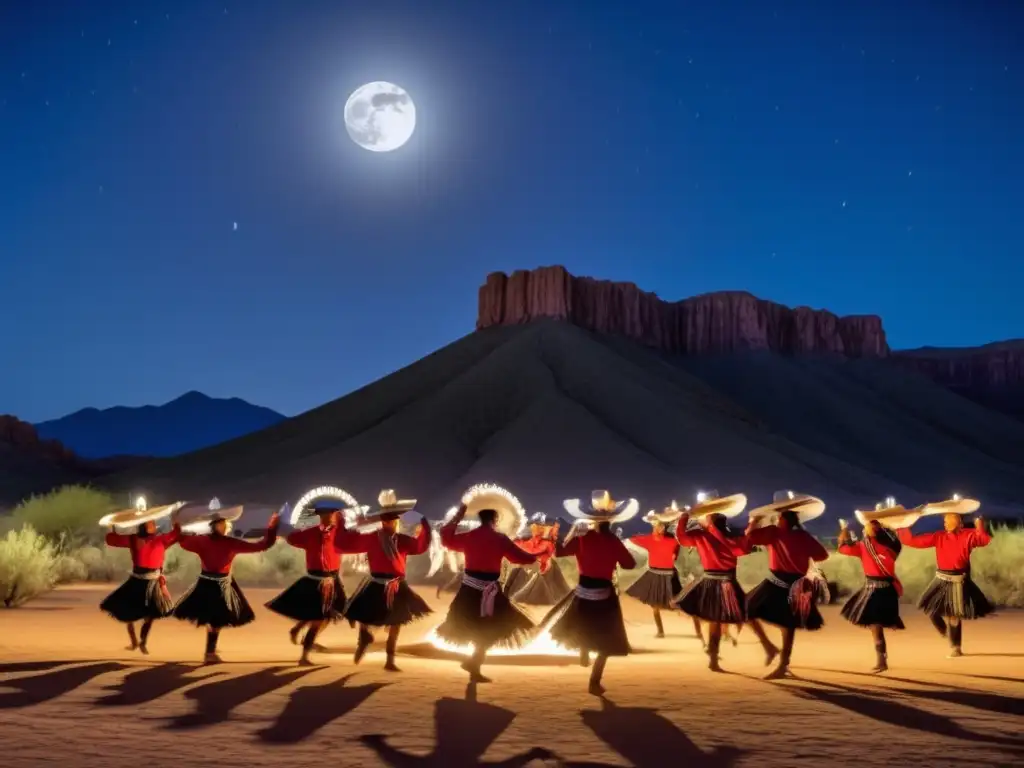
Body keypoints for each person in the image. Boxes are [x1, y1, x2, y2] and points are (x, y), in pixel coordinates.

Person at [436, 485, 537, 683]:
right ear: (495, 520)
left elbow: (446, 538)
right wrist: (536, 557)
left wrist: (459, 515)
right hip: (490, 590)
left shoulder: (469, 537)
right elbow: (519, 557)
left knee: (474, 626)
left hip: (469, 590)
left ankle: (473, 663)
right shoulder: (500, 539)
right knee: (495, 627)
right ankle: (474, 663)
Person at [543, 490, 638, 696]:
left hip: (583, 592)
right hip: (604, 594)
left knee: (583, 626)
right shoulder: (613, 541)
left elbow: (559, 552)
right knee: (607, 639)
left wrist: (561, 535)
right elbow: (629, 564)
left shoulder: (582, 539)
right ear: (610, 523)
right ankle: (594, 682)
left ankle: (584, 650)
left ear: (592, 522)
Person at [172, 503, 280, 663]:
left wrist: (272, 529)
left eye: (223, 524)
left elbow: (261, 546)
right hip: (208, 585)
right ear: (213, 526)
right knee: (215, 621)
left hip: (222, 584)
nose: (222, 527)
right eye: (219, 524)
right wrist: (176, 526)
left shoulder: (229, 542)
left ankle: (211, 649)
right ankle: (209, 653)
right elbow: (182, 541)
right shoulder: (203, 541)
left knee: (216, 621)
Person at [342, 489, 433, 672]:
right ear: (382, 521)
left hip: (398, 585)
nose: (388, 522)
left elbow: (421, 546)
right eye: (385, 519)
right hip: (376, 583)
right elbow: (346, 544)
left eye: (391, 519)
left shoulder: (403, 540)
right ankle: (365, 637)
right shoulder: (372, 539)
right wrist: (341, 525)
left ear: (396, 521)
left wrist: (424, 524)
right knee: (363, 615)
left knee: (396, 622)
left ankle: (390, 659)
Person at [744, 491, 830, 680]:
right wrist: (802, 554)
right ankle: (782, 662)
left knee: (747, 609)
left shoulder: (773, 532)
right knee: (788, 624)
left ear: (780, 516)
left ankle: (770, 649)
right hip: (797, 583)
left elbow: (749, 537)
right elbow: (823, 555)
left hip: (776, 581)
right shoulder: (803, 535)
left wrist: (754, 521)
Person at [898, 495, 994, 658]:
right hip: (941, 578)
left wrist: (979, 526)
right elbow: (911, 541)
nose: (945, 522)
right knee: (928, 607)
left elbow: (984, 540)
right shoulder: (938, 536)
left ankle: (956, 647)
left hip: (959, 580)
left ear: (958, 520)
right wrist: (903, 525)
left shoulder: (968, 535)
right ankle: (945, 632)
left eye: (949, 519)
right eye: (944, 520)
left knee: (953, 614)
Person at [265, 501, 353, 665]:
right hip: (315, 581)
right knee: (318, 617)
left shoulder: (338, 533)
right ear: (320, 516)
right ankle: (304, 655)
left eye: (331, 515)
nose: (329, 518)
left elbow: (352, 541)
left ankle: (298, 630)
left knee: (331, 614)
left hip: (333, 580)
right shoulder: (309, 534)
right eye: (325, 515)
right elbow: (290, 537)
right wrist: (275, 526)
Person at [672, 492, 752, 672]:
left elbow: (682, 538)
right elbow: (744, 548)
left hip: (709, 583)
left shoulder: (702, 536)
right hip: (729, 583)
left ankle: (713, 657)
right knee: (739, 616)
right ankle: (715, 655)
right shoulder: (733, 537)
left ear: (709, 518)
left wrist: (684, 517)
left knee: (714, 623)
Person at [837, 498, 914, 673]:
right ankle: (882, 659)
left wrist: (843, 532)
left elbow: (842, 547)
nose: (865, 528)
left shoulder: (869, 545)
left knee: (875, 625)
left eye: (868, 526)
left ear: (876, 528)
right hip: (880, 589)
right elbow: (844, 548)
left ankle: (881, 660)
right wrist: (844, 532)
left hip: (878, 590)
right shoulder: (889, 545)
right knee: (875, 625)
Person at [99, 500, 185, 654]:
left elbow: (177, 534)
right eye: (151, 523)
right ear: (144, 526)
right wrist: (112, 526)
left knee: (151, 614)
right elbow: (111, 540)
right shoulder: (133, 539)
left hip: (153, 582)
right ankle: (133, 641)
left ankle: (143, 641)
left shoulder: (161, 540)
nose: (154, 525)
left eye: (153, 522)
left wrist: (175, 519)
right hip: (137, 581)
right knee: (129, 612)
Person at [624, 504, 684, 638]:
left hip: (668, 575)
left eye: (660, 525)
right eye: (655, 525)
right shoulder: (650, 539)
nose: (657, 528)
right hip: (654, 574)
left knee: (678, 603)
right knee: (655, 606)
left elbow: (677, 551)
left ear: (664, 527)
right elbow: (633, 538)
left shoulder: (673, 541)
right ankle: (660, 631)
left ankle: (698, 629)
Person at [507, 514, 569, 606]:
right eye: (555, 527)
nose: (557, 531)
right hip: (531, 570)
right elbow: (529, 549)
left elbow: (546, 550)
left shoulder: (547, 541)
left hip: (542, 571)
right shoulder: (529, 539)